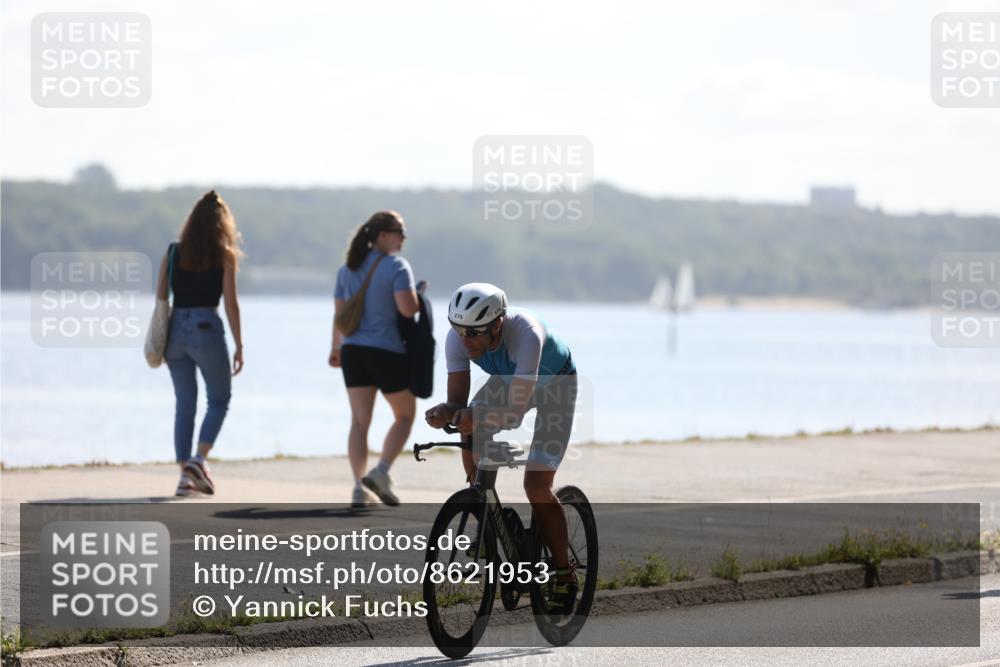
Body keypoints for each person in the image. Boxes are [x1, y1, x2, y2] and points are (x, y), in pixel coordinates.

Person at [424, 283, 579, 615]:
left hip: (555, 389)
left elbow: (516, 412)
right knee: (471, 440)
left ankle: (565, 575)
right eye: (459, 331)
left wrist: (474, 416)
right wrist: (447, 412)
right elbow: (457, 402)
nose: (465, 341)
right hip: (511, 382)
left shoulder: (526, 334)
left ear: (497, 324)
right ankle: (484, 503)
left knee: (536, 486)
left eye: (474, 333)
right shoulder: (458, 338)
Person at [155, 190, 244, 497]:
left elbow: (160, 295)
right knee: (219, 400)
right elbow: (231, 304)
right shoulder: (225, 254)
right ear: (223, 223)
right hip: (207, 327)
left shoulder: (174, 251)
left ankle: (185, 476)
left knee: (185, 403)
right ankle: (199, 459)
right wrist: (240, 344)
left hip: (176, 328)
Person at [330, 211, 419, 508]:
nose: (403, 238)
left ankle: (358, 487)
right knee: (405, 415)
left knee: (359, 421)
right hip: (387, 351)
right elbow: (407, 310)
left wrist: (336, 348)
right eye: (399, 232)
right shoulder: (396, 266)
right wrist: (417, 296)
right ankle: (380, 472)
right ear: (382, 235)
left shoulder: (347, 269)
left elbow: (340, 315)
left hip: (353, 351)